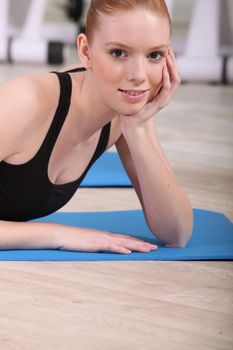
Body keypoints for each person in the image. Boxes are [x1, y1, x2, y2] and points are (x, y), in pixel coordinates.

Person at [0, 0, 193, 254]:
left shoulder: (126, 111)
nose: (138, 75)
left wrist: (137, 129)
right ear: (86, 51)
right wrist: (59, 235)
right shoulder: (23, 103)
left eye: (154, 55)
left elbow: (176, 233)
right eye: (118, 53)